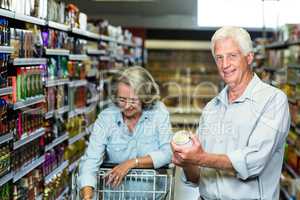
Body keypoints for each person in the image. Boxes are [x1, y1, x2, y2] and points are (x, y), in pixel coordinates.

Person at [171, 26, 290, 200]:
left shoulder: (273, 100)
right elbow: (196, 178)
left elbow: (254, 162)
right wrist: (188, 161)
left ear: (249, 57)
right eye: (219, 58)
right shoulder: (212, 108)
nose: (225, 65)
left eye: (232, 56)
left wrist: (201, 157)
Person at [78, 66, 172, 200]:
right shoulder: (106, 118)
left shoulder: (158, 113)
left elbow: (167, 152)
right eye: (122, 100)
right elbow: (91, 160)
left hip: (151, 195)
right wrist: (87, 195)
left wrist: (131, 163)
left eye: (133, 100)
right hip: (114, 195)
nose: (127, 106)